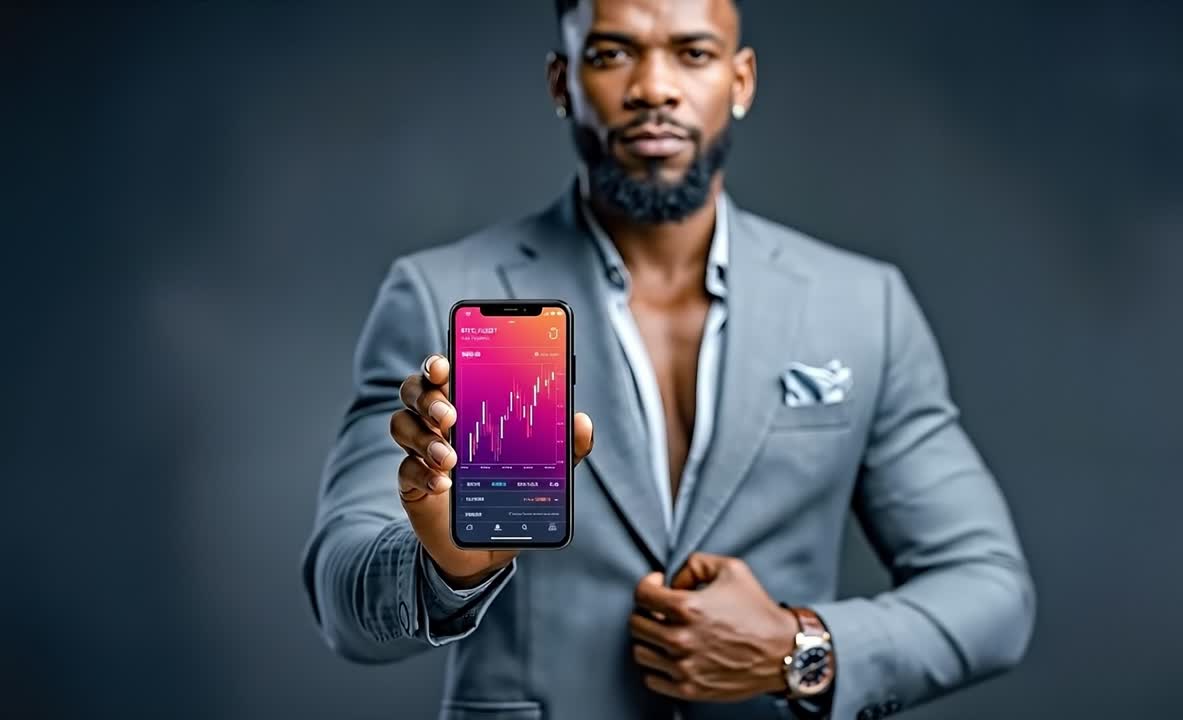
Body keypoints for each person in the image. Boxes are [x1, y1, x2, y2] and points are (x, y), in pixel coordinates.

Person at [301, 1, 1036, 718]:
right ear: (562, 83)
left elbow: (992, 593)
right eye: (613, 53)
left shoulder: (862, 306)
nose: (654, 87)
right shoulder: (440, 294)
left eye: (693, 52)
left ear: (740, 80)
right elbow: (344, 601)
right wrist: (446, 566)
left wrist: (798, 646)